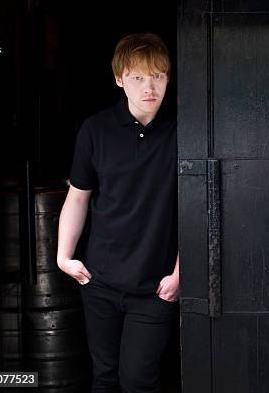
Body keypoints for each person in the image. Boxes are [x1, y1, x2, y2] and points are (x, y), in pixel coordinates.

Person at [57, 33, 179, 393]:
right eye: (138, 77)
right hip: (100, 280)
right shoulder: (95, 130)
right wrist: (64, 257)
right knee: (105, 378)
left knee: (139, 380)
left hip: (156, 285)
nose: (149, 87)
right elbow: (78, 198)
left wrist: (179, 274)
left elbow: (199, 204)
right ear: (119, 79)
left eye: (157, 76)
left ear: (168, 77)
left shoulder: (183, 129)